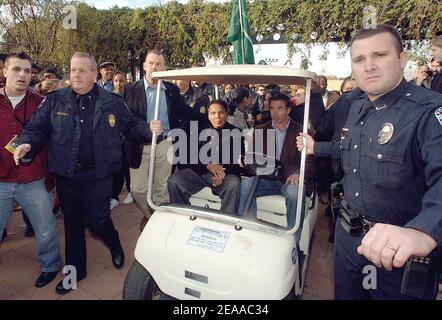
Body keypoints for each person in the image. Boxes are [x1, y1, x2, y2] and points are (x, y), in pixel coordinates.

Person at [296, 25, 442, 300]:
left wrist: (423, 231)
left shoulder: (428, 112)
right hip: (348, 240)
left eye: (380, 55)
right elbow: (349, 149)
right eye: (359, 60)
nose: (369, 66)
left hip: (396, 256)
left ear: (403, 58)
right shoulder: (356, 106)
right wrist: (318, 147)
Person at [14, 52, 162, 294]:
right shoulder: (54, 100)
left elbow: (131, 125)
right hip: (67, 174)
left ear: (94, 74)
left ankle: (114, 243)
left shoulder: (111, 101)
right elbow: (36, 127)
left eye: (82, 70)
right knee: (72, 224)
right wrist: (27, 142)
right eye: (73, 70)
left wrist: (149, 129)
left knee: (97, 220)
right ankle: (75, 271)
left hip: (99, 174)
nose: (76, 74)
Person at [0, 52, 63, 288]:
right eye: (17, 69)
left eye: (27, 71)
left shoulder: (42, 103)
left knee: (45, 229)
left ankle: (51, 265)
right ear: (5, 71)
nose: (23, 75)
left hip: (34, 178)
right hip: (1, 180)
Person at [123, 50, 204, 231]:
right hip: (139, 146)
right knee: (138, 189)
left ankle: (160, 224)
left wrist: (209, 117)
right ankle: (149, 215)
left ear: (164, 68)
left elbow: (183, 112)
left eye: (158, 64)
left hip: (165, 144)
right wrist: (146, 128)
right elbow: (127, 122)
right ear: (144, 65)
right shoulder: (130, 90)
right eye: (151, 63)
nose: (154, 67)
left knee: (162, 188)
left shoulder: (171, 90)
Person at [239, 92, 315, 229]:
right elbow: (254, 156)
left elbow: (310, 160)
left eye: (280, 108)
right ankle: (248, 229)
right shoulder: (260, 130)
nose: (275, 113)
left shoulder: (302, 132)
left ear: (288, 110)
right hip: (266, 179)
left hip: (290, 180)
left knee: (294, 193)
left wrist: (298, 173)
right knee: (245, 185)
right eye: (272, 108)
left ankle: (293, 238)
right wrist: (246, 160)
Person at [168, 100, 243, 215]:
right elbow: (187, 158)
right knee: (174, 181)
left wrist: (221, 175)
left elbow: (237, 162)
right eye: (213, 113)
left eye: (220, 112)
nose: (217, 116)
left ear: (226, 114)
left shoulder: (236, 133)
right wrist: (207, 165)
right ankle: (182, 214)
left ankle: (226, 218)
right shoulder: (197, 131)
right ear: (208, 115)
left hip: (224, 175)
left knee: (234, 183)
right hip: (199, 174)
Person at [110, 71, 133, 207]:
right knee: (116, 168)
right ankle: (114, 196)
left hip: (128, 139)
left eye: (121, 80)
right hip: (114, 140)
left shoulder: (130, 97)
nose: (119, 83)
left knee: (128, 166)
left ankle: (131, 191)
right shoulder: (109, 98)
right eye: (116, 81)